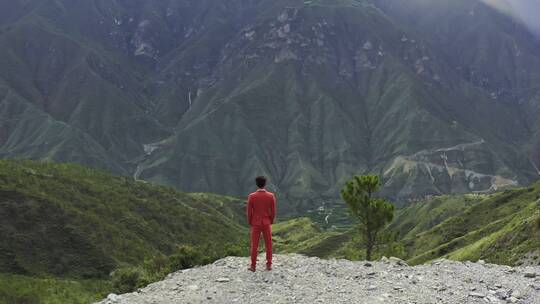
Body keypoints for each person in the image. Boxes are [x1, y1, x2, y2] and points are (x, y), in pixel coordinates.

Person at [246, 176, 276, 272]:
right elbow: (273, 211)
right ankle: (269, 264)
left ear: (256, 184)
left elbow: (249, 211)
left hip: (256, 223)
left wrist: (250, 221)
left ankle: (253, 266)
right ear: (265, 184)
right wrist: (271, 220)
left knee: (254, 245)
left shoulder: (252, 196)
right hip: (266, 222)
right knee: (269, 244)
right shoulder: (271, 196)